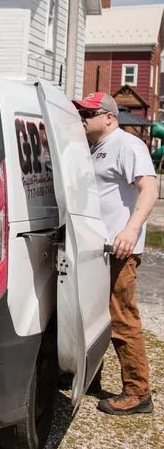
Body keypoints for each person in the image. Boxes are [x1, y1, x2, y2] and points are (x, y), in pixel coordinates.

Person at [74, 91, 158, 415]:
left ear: (110, 116)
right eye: (81, 112)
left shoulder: (128, 145)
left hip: (120, 249)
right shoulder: (94, 148)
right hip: (97, 250)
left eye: (89, 113)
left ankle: (138, 392)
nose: (83, 118)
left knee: (122, 318)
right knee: (94, 316)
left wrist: (131, 229)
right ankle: (91, 377)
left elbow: (149, 189)